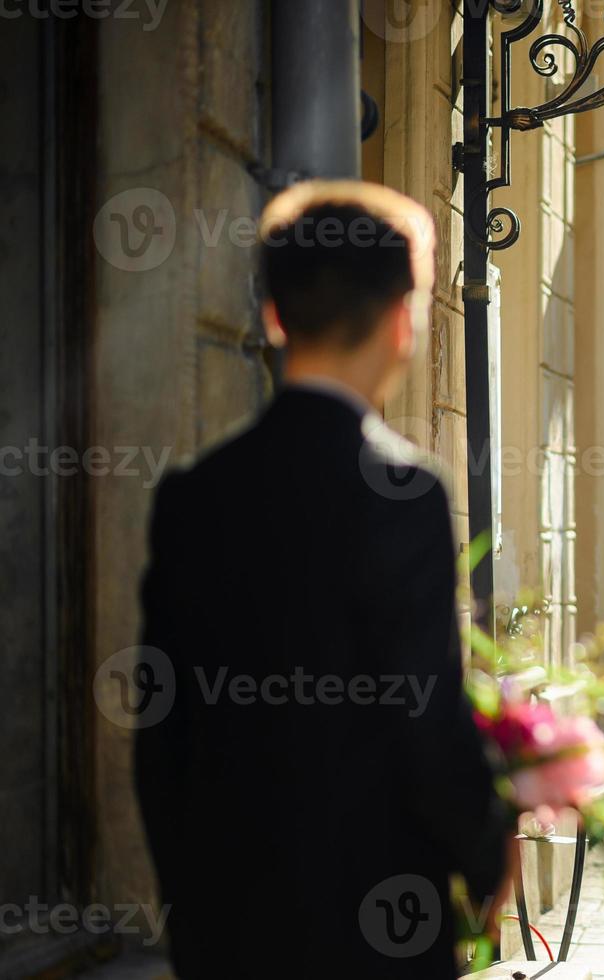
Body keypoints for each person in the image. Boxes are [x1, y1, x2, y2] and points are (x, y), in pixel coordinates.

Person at [133, 181, 517, 978]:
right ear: (401, 321)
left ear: (274, 315)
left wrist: (188, 908)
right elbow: (426, 714)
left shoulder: (192, 496)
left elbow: (161, 734)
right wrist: (487, 856)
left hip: (227, 922)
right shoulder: (405, 492)